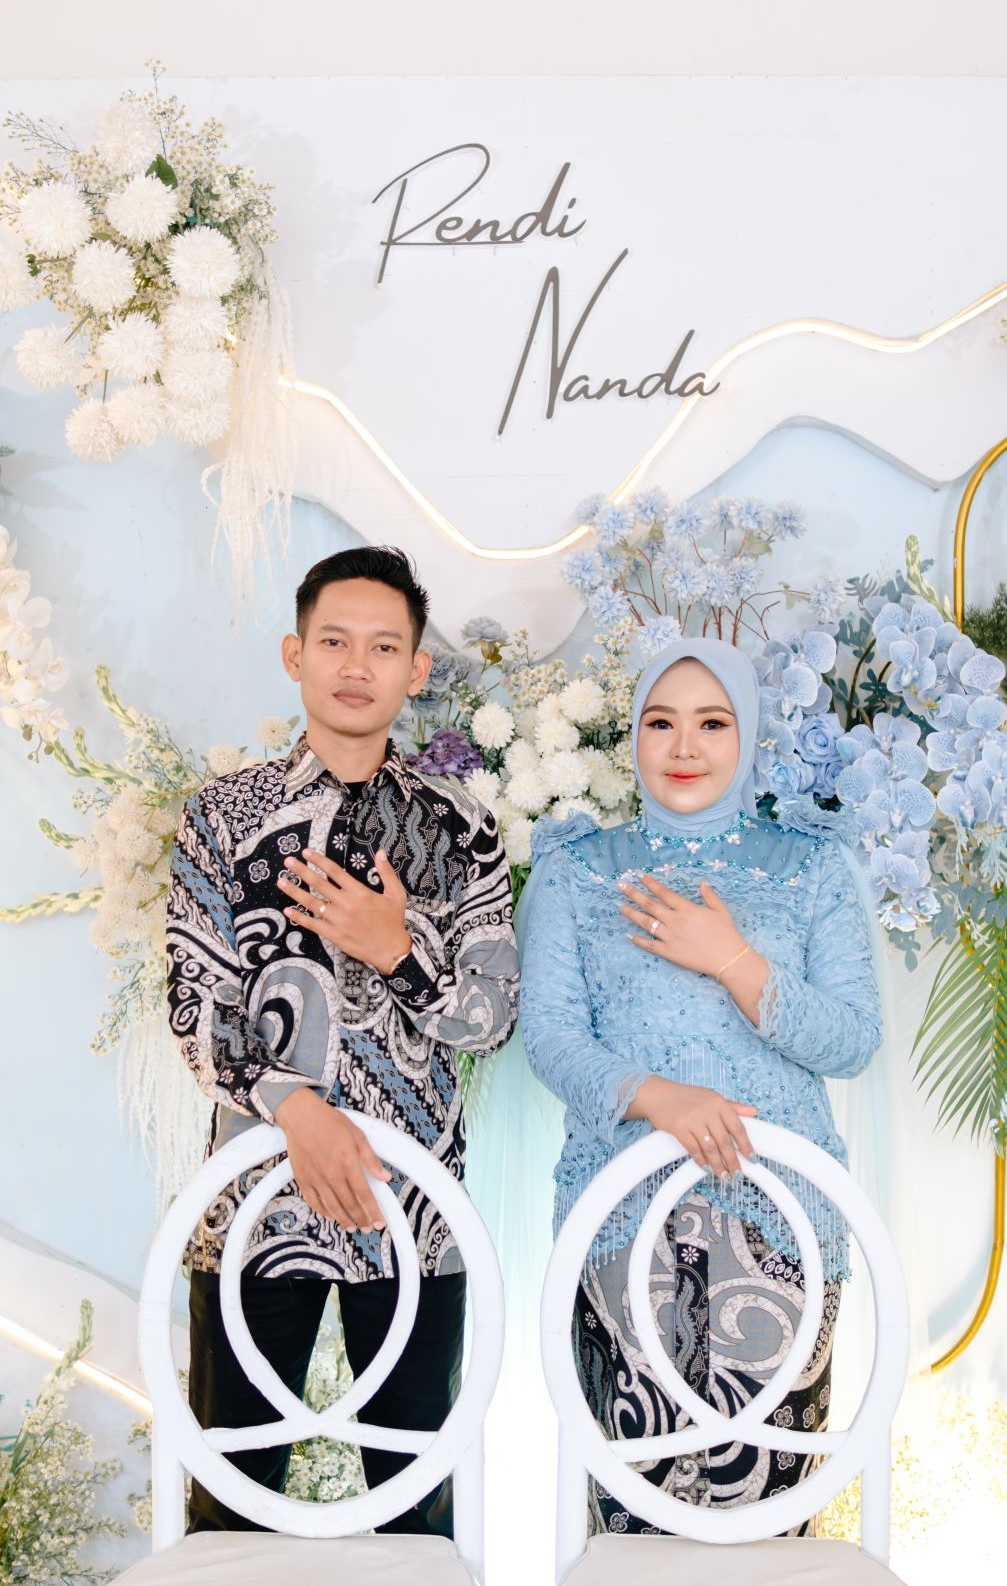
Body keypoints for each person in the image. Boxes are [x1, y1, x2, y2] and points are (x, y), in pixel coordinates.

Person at [165, 544, 519, 1535]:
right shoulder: (221, 816)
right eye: (333, 642)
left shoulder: (463, 827)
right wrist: (300, 1113)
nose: (355, 665)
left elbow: (493, 1019)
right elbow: (195, 1005)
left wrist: (394, 950)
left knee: (416, 1509)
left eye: (382, 646)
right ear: (295, 655)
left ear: (416, 668)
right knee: (229, 1501)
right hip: (254, 1204)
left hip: (416, 1210)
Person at [519, 637, 882, 1532]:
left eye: (712, 724)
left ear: (746, 734)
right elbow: (550, 1036)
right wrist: (658, 1098)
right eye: (660, 723)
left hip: (783, 1220)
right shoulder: (576, 869)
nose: (684, 747)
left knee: (766, 1512)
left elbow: (851, 1040)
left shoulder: (808, 867)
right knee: (632, 1504)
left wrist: (732, 960)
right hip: (620, 1215)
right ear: (633, 736)